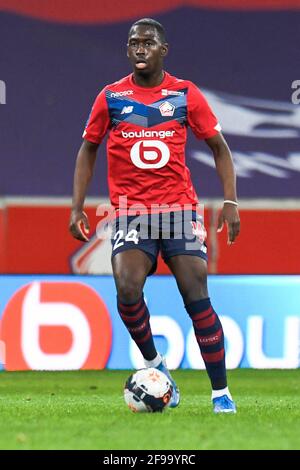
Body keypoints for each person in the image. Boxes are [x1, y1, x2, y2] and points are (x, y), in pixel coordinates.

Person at [69, 18, 240, 413]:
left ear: (164, 50)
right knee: (127, 289)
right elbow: (88, 149)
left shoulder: (184, 94)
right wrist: (77, 206)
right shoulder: (111, 97)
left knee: (195, 294)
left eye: (148, 43)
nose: (140, 48)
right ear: (128, 51)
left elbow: (219, 147)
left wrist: (230, 202)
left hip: (179, 210)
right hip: (131, 214)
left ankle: (221, 394)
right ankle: (155, 364)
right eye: (133, 43)